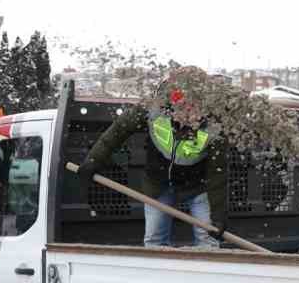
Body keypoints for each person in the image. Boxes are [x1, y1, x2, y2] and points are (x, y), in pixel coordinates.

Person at [82, 82, 228, 248]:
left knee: (208, 239)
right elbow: (118, 130)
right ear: (172, 103)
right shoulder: (152, 111)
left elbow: (218, 172)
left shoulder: (214, 128)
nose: (188, 112)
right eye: (182, 105)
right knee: (154, 242)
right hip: (158, 185)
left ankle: (206, 272)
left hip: (197, 187)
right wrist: (93, 160)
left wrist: (218, 215)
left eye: (193, 106)